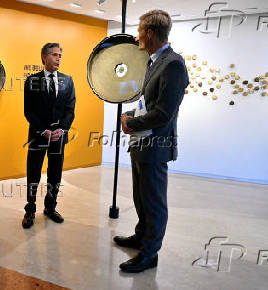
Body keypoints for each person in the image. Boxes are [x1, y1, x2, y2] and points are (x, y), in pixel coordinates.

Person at [114, 10, 189, 273]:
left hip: (155, 147)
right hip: (141, 143)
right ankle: (141, 236)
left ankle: (149, 254)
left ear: (149, 34)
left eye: (139, 32)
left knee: (154, 201)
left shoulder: (173, 64)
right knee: (140, 197)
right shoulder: (154, 61)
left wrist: (129, 124)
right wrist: (131, 115)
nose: (136, 38)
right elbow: (149, 105)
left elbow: (164, 114)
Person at [22, 43, 76, 229]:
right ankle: (30, 209)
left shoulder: (68, 81)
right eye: (54, 55)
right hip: (38, 136)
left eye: (60, 55)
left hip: (59, 138)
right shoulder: (32, 81)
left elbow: (70, 110)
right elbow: (29, 111)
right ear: (44, 57)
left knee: (55, 174)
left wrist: (62, 129)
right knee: (33, 174)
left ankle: (50, 208)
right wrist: (44, 131)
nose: (58, 58)